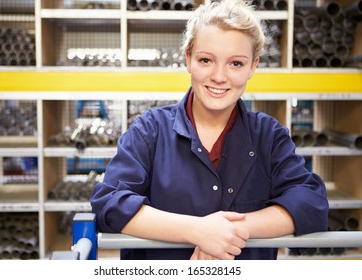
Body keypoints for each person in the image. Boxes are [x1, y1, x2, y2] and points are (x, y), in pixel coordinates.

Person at [90, 0, 329, 260]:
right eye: (206, 60)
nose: (219, 76)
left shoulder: (269, 136)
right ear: (188, 59)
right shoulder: (150, 130)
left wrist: (231, 231)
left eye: (235, 63)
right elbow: (109, 203)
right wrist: (198, 230)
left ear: (253, 67)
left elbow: (310, 202)